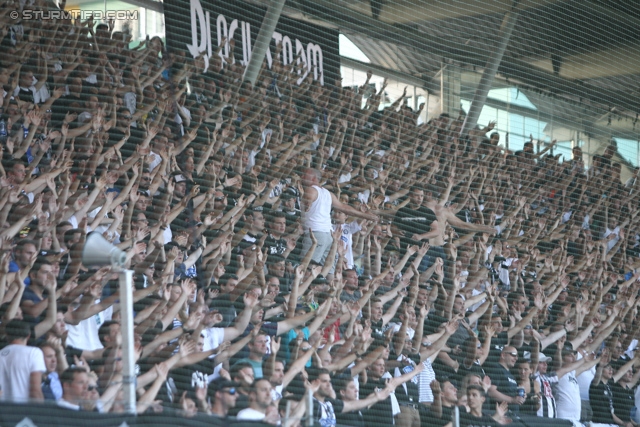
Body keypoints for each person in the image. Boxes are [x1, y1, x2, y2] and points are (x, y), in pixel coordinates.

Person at [300, 168, 378, 270]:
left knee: (307, 268)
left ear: (314, 178)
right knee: (327, 272)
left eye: (304, 175)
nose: (301, 176)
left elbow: (309, 198)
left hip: (315, 234)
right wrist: (365, 215)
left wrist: (308, 203)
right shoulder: (328, 193)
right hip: (329, 237)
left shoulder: (311, 189)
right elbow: (344, 207)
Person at [0, 319, 46, 403]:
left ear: (7, 336)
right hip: (23, 411)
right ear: (28, 335)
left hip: (3, 411)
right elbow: (35, 391)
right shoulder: (34, 353)